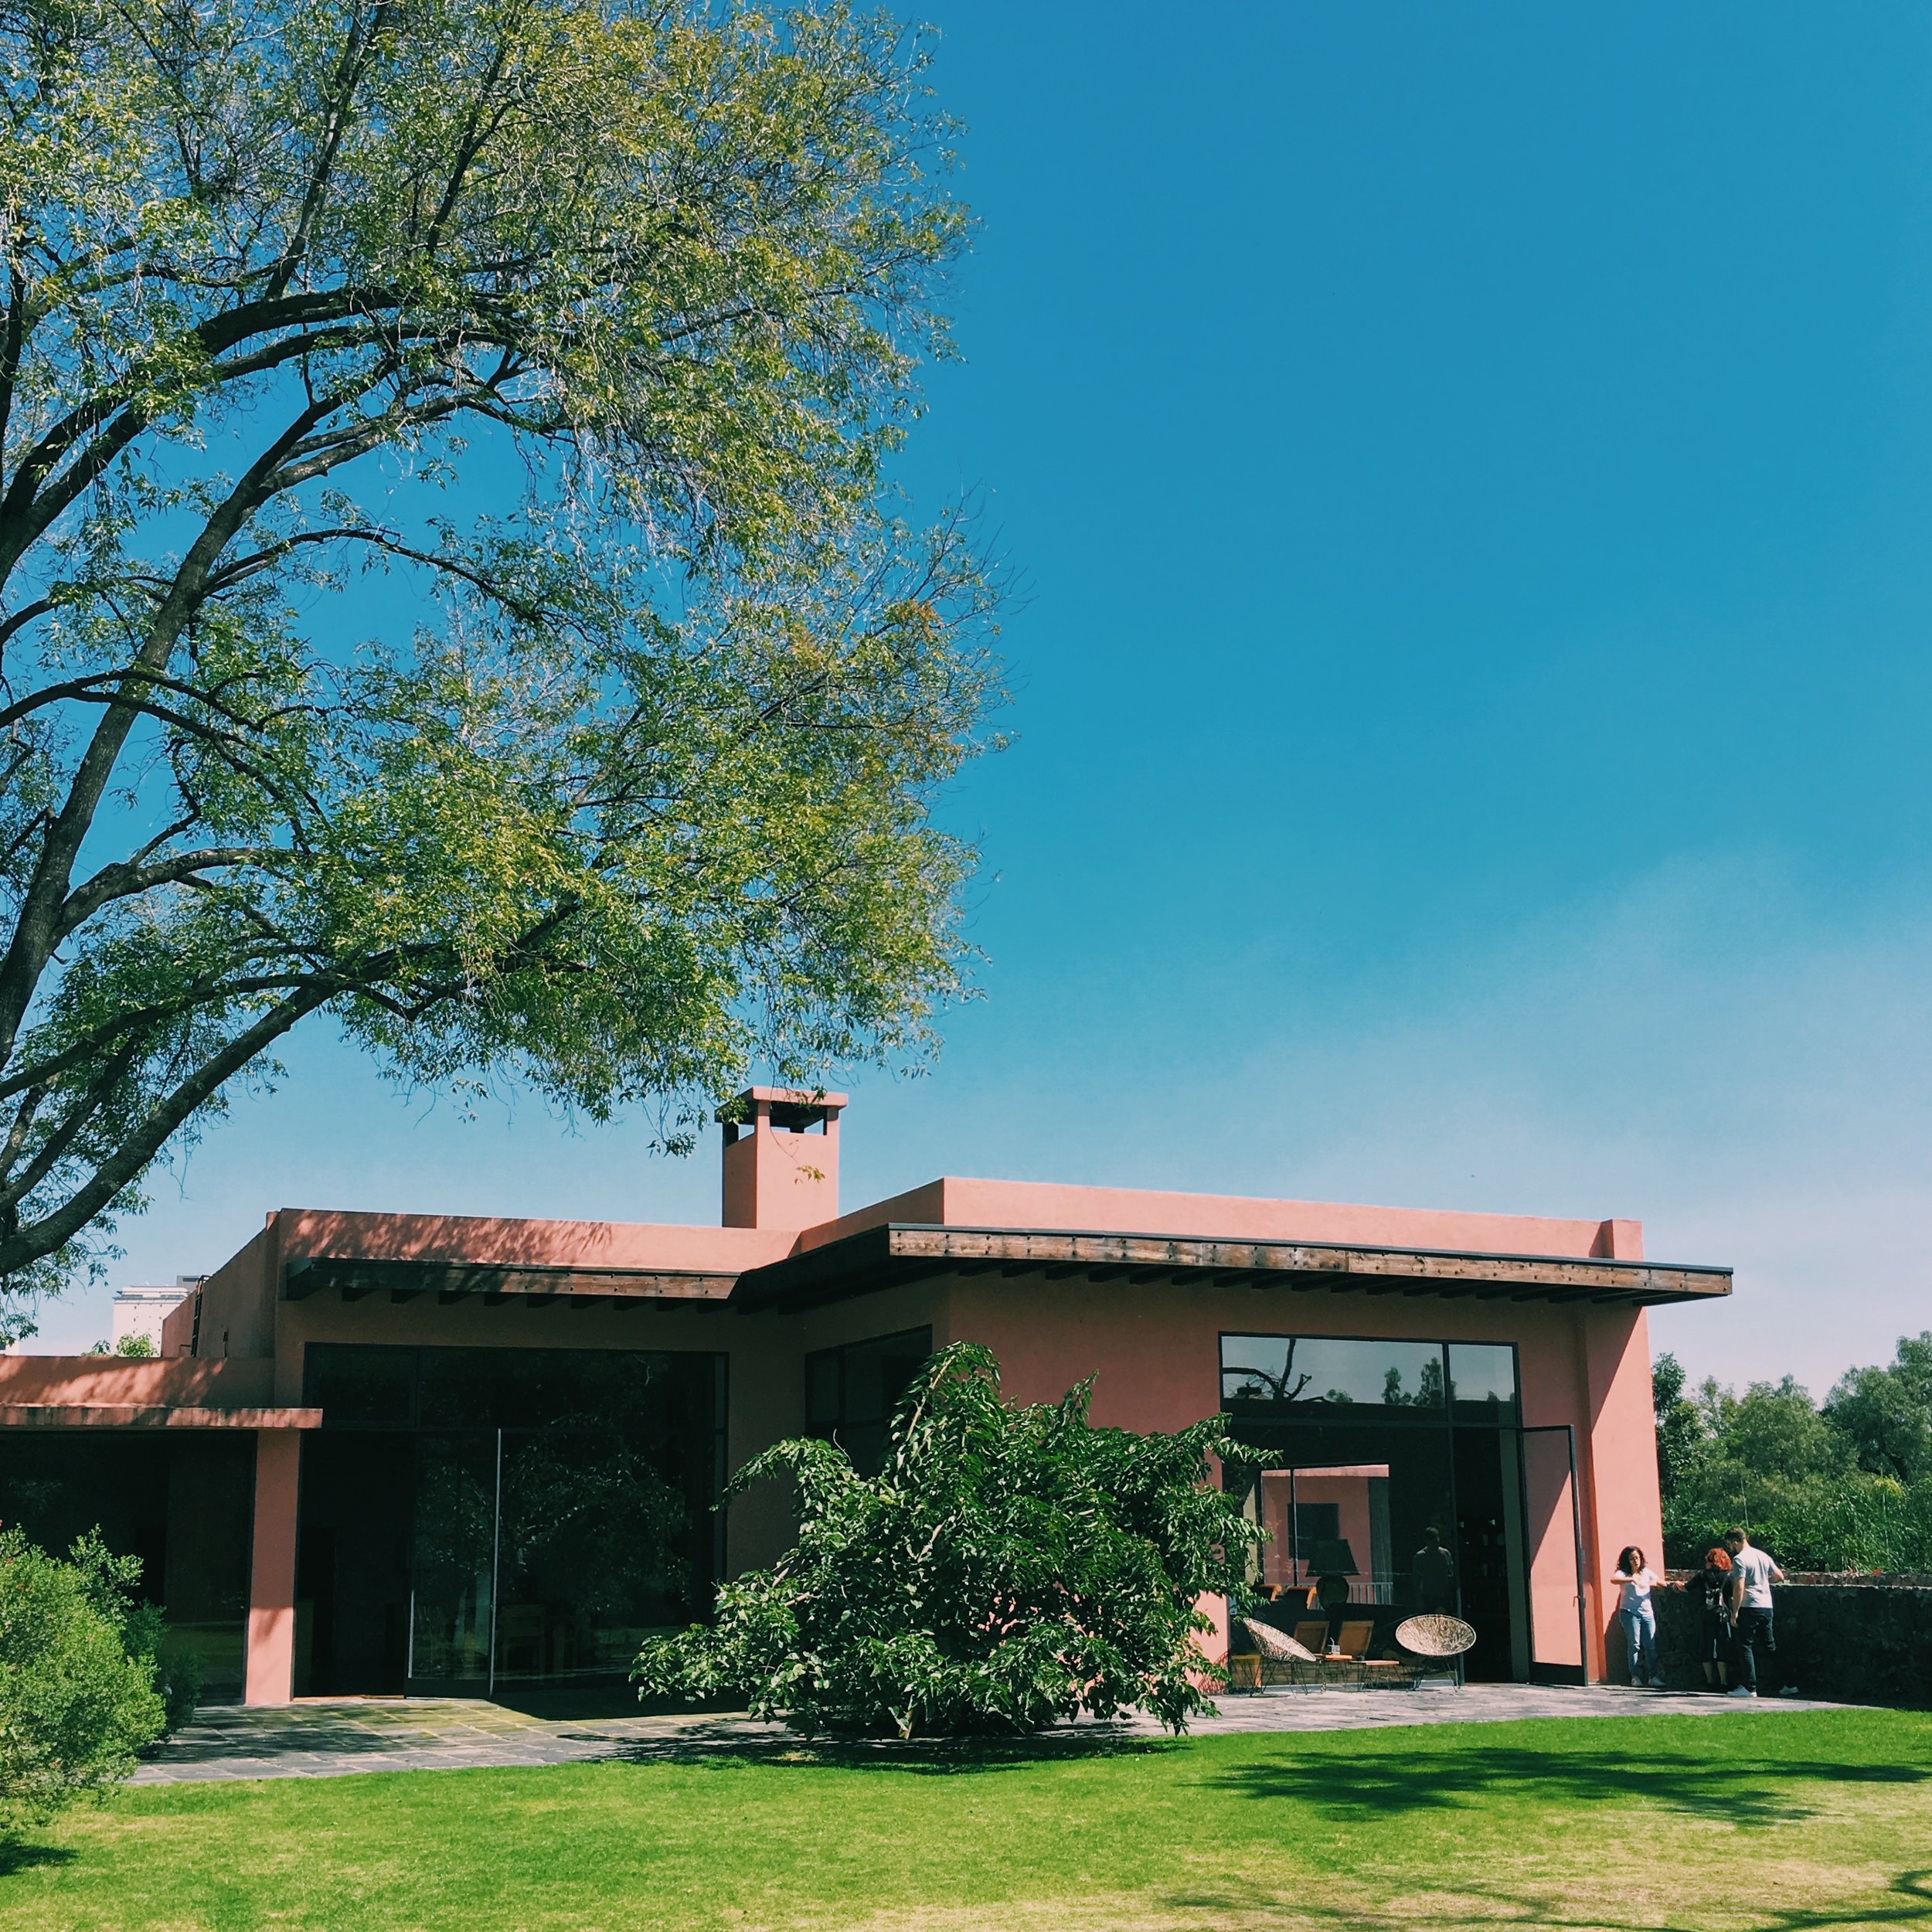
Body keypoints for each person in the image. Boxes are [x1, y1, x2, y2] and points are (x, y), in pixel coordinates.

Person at [1723, 1526, 1784, 1697]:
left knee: (1745, 1646)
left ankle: (1750, 1687)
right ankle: (1786, 1684)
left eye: (1730, 1544)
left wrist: (1735, 1612)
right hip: (1766, 1606)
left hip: (1750, 1606)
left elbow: (1739, 1586)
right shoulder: (1762, 1555)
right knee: (1770, 1646)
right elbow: (1779, 1576)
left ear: (1735, 1542)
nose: (1730, 1547)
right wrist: (1763, 1582)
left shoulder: (1740, 1559)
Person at [1612, 1545, 1665, 1687]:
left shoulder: (1646, 1572)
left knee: (1650, 1646)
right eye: (1632, 1559)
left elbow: (1660, 1581)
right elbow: (1614, 1580)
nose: (1636, 1561)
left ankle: (1653, 1676)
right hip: (1630, 1613)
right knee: (1634, 1645)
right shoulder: (1623, 1573)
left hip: (1647, 1613)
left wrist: (1668, 1584)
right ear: (1627, 1561)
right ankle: (1635, 1677)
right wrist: (1630, 1580)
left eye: (1637, 1558)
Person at [1694, 1546, 1733, 1690]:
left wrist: (1679, 1585)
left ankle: (1710, 1680)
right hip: (1723, 1616)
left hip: (1707, 1615)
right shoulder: (1729, 1576)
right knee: (1723, 1646)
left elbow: (1688, 1587)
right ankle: (1724, 1681)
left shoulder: (1703, 1575)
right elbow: (1733, 1595)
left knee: (1706, 1646)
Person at [1413, 1526, 1455, 1613]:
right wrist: (1419, 1599)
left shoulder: (1445, 1554)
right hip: (1428, 1596)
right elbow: (1416, 1578)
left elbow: (1451, 1572)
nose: (1436, 1543)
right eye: (1433, 1541)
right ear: (1427, 1541)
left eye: (1437, 1540)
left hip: (1444, 1595)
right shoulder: (1421, 1556)